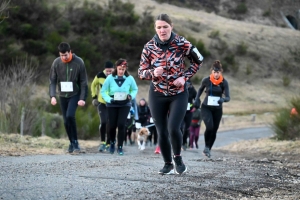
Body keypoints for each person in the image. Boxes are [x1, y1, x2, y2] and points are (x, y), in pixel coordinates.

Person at [138, 13, 203, 175]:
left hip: (178, 93)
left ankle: (178, 158)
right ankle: (168, 164)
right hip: (157, 93)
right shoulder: (149, 47)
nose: (162, 30)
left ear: (171, 26)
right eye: (159, 27)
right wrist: (153, 72)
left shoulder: (182, 43)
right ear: (155, 29)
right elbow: (141, 72)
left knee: (174, 128)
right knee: (161, 130)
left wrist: (184, 77)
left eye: (165, 27)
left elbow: (198, 60)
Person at [49, 42, 88, 153]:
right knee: (66, 121)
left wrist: (82, 98)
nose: (64, 57)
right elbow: (52, 81)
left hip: (74, 94)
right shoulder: (56, 63)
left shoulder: (78, 62)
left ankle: (76, 142)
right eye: (61, 55)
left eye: (65, 55)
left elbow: (84, 82)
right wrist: (52, 96)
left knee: (70, 115)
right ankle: (71, 142)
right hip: (62, 95)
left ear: (70, 52)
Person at [101, 58, 138, 155]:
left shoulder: (130, 78)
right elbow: (103, 91)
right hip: (112, 103)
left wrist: (131, 96)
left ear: (125, 69)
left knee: (122, 125)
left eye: (123, 69)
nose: (121, 71)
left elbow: (134, 89)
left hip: (125, 103)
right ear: (116, 68)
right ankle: (112, 143)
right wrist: (109, 99)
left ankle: (120, 146)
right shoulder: (110, 78)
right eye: (119, 69)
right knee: (112, 125)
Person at [194, 60, 230, 158]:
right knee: (209, 127)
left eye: (218, 72)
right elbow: (200, 89)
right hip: (206, 107)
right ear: (212, 72)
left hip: (217, 109)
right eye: (214, 72)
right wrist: (197, 99)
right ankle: (206, 147)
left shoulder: (224, 82)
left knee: (214, 130)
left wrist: (223, 99)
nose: (216, 74)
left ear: (220, 72)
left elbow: (228, 97)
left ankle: (208, 149)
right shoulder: (206, 80)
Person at [91, 61, 114, 152]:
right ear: (105, 69)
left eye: (110, 71)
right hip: (102, 102)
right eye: (107, 71)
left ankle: (109, 143)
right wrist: (94, 97)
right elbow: (93, 85)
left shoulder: (116, 76)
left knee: (110, 124)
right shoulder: (100, 75)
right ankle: (102, 142)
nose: (108, 73)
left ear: (113, 69)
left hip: (112, 103)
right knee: (103, 122)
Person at [181, 79, 197, 150]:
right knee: (180, 127)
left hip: (189, 111)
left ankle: (184, 143)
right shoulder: (180, 89)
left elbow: (197, 99)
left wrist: (196, 106)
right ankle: (179, 143)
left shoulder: (193, 90)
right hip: (181, 111)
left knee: (187, 129)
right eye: (186, 84)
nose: (187, 86)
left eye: (189, 85)